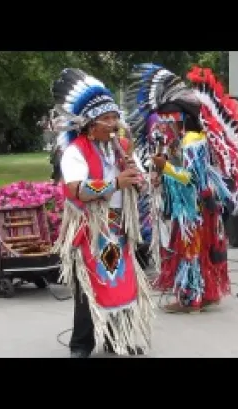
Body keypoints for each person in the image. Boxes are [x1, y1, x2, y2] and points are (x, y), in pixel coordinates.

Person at [125, 64, 238, 313]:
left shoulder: (192, 141)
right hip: (201, 206)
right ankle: (207, 294)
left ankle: (190, 299)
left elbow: (190, 179)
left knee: (190, 252)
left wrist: (165, 168)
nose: (165, 125)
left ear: (181, 119)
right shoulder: (191, 140)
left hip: (192, 209)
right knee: (203, 249)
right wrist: (161, 176)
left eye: (169, 120)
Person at [50, 68, 154, 358]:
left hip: (119, 227)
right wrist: (115, 183)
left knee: (121, 283)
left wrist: (140, 178)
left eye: (114, 117)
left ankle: (115, 339)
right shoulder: (75, 151)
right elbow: (75, 189)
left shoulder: (120, 147)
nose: (113, 123)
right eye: (107, 119)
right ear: (89, 125)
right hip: (91, 228)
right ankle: (80, 345)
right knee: (90, 286)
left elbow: (139, 178)